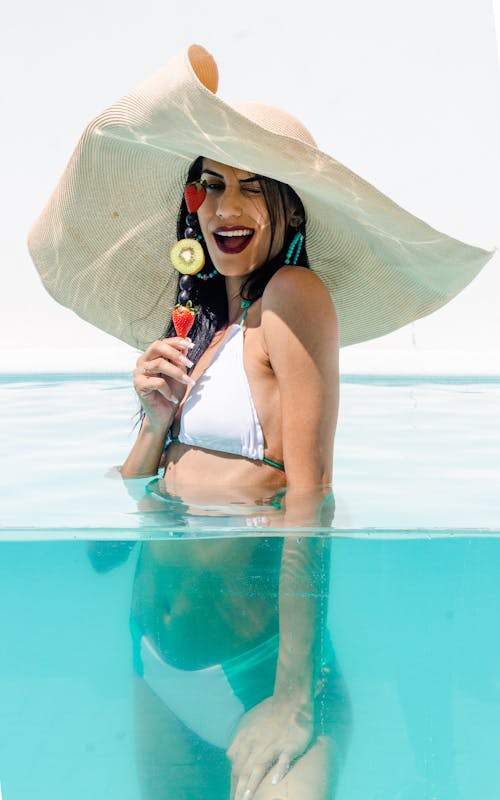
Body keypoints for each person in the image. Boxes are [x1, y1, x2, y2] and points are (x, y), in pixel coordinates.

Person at [28, 45, 493, 800]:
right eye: (212, 184)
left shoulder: (294, 299)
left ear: (291, 206)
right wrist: (152, 422)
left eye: (253, 186)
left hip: (260, 678)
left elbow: (310, 502)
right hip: (158, 668)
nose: (228, 206)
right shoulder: (204, 331)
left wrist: (293, 701)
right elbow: (111, 545)